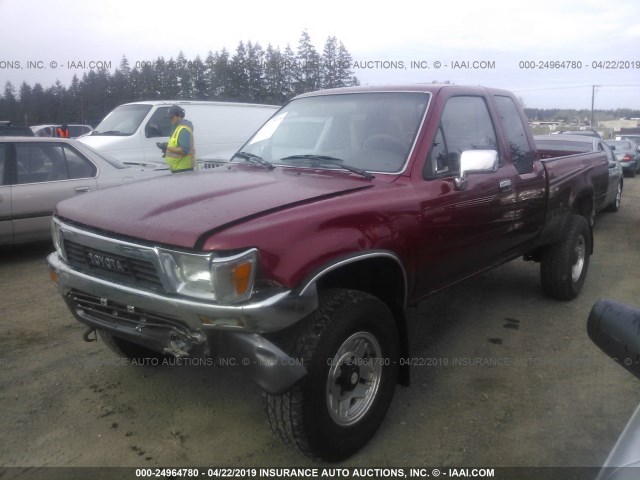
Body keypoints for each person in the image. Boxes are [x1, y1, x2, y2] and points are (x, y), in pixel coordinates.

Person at [158, 105, 195, 173]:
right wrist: (166, 145)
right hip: (178, 169)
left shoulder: (183, 130)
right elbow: (176, 145)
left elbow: (184, 150)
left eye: (172, 117)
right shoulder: (177, 128)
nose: (170, 119)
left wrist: (167, 147)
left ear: (179, 115)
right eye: (169, 117)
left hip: (183, 170)